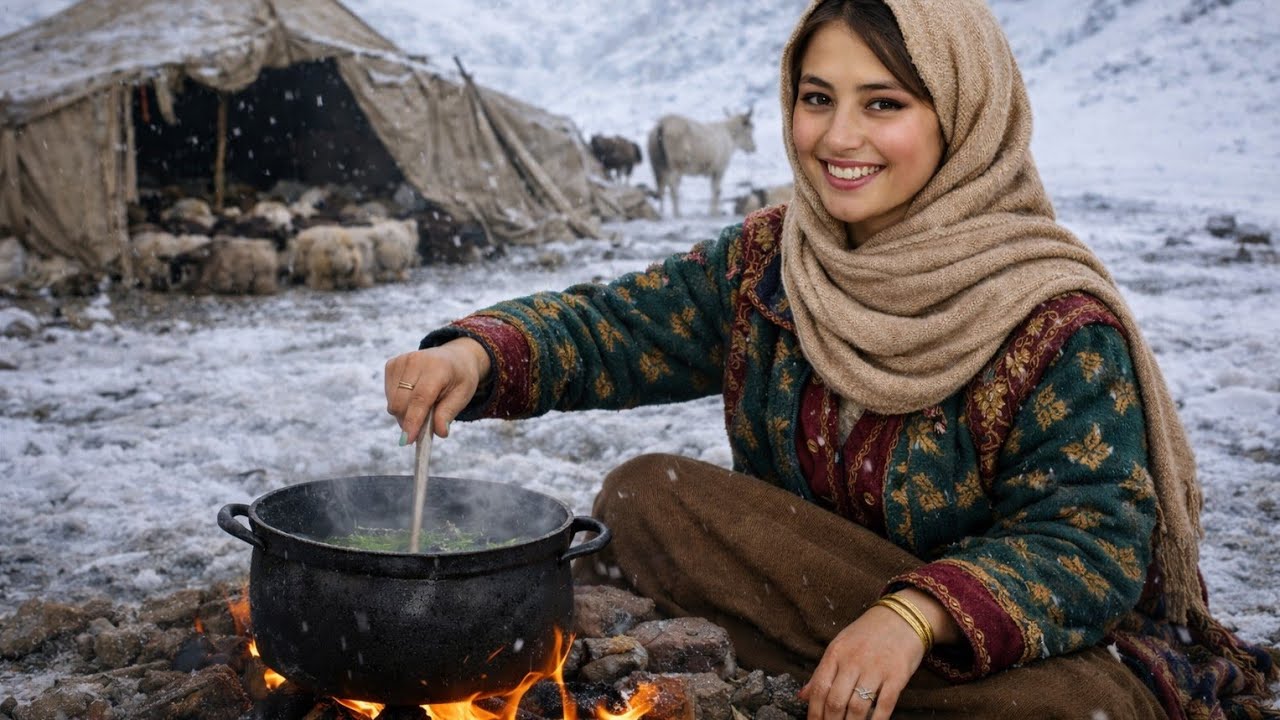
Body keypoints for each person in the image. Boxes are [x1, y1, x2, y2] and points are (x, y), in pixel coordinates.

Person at [384, 0, 1279, 717]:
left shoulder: (1052, 319)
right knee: (644, 495)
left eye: (882, 103)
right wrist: (480, 355)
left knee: (1079, 705)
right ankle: (849, 681)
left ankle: (851, 673)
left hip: (989, 632)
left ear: (962, 114)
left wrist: (912, 617)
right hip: (823, 580)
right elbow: (622, 324)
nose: (837, 138)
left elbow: (1089, 540)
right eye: (818, 98)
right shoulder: (774, 260)